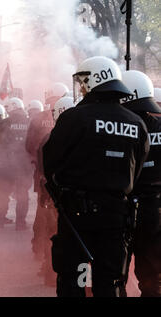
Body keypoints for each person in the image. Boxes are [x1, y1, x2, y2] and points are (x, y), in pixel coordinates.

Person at [43, 56, 150, 297]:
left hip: (76, 217)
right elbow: (138, 169)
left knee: (74, 278)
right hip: (116, 216)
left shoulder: (73, 118)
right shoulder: (137, 123)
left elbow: (50, 162)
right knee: (109, 280)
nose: (80, 88)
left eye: (83, 82)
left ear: (94, 81)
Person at [120, 70, 161, 297]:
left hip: (124, 205)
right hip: (156, 206)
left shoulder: (124, 125)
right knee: (152, 273)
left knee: (115, 269)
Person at [36, 96, 75, 287]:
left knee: (52, 234)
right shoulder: (84, 134)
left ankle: (50, 273)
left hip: (54, 197)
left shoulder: (48, 137)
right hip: (76, 197)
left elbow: (43, 171)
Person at [27, 84, 67, 259]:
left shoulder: (39, 118)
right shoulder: (72, 117)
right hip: (65, 176)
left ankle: (40, 248)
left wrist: (37, 160)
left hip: (43, 173)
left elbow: (29, 145)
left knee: (43, 211)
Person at [0, 97, 32, 230]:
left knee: (3, 192)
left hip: (6, 163)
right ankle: (20, 223)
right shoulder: (29, 121)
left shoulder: (5, 122)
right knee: (22, 194)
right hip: (24, 164)